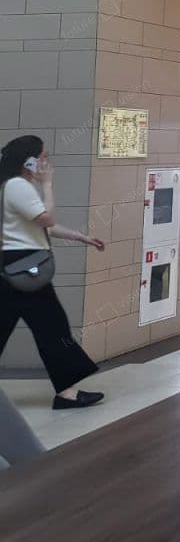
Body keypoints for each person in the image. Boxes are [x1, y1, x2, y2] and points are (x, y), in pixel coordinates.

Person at [0, 135, 107, 409]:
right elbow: (47, 218)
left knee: (48, 327)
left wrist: (80, 237)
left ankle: (67, 392)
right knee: (53, 327)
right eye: (43, 157)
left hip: (15, 267)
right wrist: (48, 184)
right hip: (25, 269)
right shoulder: (18, 186)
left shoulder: (13, 186)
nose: (47, 162)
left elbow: (42, 226)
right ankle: (66, 394)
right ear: (29, 161)